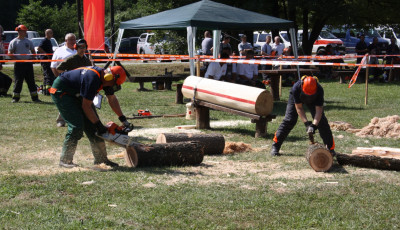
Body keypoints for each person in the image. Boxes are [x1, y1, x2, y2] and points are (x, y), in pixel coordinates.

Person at [50, 66, 133, 168]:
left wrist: (123, 119)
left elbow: (111, 98)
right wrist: (98, 124)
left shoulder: (106, 79)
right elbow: (86, 106)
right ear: (109, 78)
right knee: (76, 126)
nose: (113, 87)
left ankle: (101, 160)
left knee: (94, 128)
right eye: (114, 84)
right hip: (63, 92)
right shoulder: (92, 79)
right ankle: (65, 160)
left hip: (78, 93)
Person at [270, 76, 336, 157]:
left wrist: (314, 125)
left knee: (322, 121)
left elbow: (319, 110)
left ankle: (330, 148)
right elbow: (299, 108)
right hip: (298, 97)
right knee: (289, 119)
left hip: (314, 100)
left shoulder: (319, 89)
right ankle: (275, 146)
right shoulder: (296, 88)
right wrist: (307, 124)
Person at [8, 25, 40, 103]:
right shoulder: (14, 42)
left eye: (25, 31)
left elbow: (33, 51)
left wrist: (33, 58)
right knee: (18, 81)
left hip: (28, 63)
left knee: (31, 81)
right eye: (23, 31)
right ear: (19, 32)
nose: (25, 32)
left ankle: (35, 98)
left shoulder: (28, 41)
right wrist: (16, 60)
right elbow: (10, 53)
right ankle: (15, 98)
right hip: (19, 64)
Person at [51, 33, 77, 127]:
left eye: (74, 39)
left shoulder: (78, 50)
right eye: (70, 40)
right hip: (64, 79)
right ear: (66, 41)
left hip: (77, 79)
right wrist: (59, 78)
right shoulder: (59, 51)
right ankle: (61, 120)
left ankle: (76, 120)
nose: (73, 41)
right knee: (64, 99)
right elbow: (53, 66)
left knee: (77, 99)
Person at [38, 29, 55, 95]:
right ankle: (49, 91)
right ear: (47, 34)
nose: (52, 34)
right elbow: (39, 48)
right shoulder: (44, 40)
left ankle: (45, 91)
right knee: (48, 75)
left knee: (47, 75)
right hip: (45, 60)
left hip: (49, 60)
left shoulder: (48, 41)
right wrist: (46, 54)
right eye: (51, 33)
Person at [0, 25, 12, 96]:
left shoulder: (1, 43)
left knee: (8, 79)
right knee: (1, 79)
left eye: (1, 32)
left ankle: (3, 93)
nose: (1, 34)